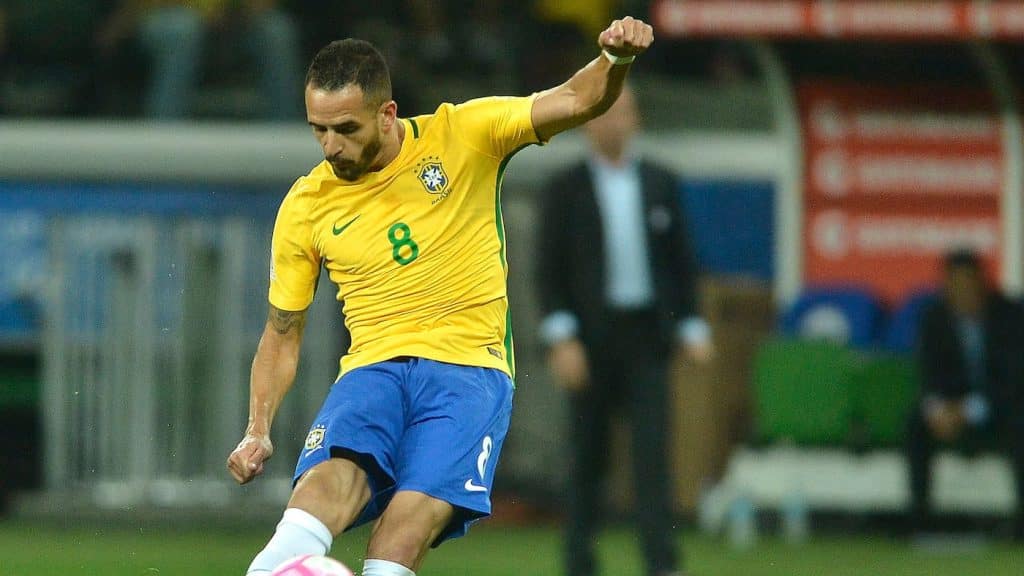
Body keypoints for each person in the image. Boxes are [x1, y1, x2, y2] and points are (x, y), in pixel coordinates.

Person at [225, 16, 655, 576]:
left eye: (346, 129)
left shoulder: (465, 134)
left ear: (387, 114)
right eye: (318, 130)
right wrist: (258, 428)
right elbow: (282, 332)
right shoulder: (307, 204)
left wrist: (615, 60)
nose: (331, 146)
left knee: (403, 531)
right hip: (371, 371)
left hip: (468, 374)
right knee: (311, 508)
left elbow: (577, 97)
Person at [536, 86, 711, 576]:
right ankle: (579, 562)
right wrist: (561, 338)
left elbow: (681, 263)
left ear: (637, 120)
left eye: (625, 112)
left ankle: (662, 563)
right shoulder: (564, 189)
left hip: (646, 338)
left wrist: (692, 326)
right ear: (589, 120)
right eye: (606, 113)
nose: (615, 122)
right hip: (589, 339)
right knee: (586, 460)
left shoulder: (661, 183)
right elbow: (548, 272)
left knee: (653, 457)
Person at [906, 249, 1024, 538]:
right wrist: (937, 411)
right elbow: (928, 375)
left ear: (980, 281)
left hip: (999, 408)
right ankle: (921, 519)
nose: (961, 290)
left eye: (967, 282)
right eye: (953, 283)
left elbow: (1013, 380)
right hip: (950, 410)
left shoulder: (1010, 316)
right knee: (914, 423)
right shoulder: (934, 318)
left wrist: (969, 409)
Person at [96, 0, 302, 119]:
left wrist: (244, 12)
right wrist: (204, 12)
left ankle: (281, 137)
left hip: (232, 25)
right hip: (161, 17)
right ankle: (164, 137)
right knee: (183, 29)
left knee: (277, 31)